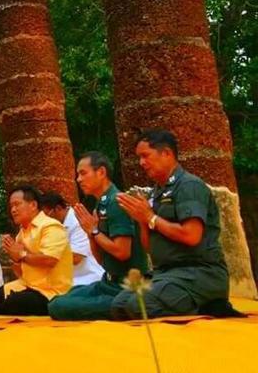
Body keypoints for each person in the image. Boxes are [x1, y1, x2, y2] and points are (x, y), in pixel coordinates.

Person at [111, 130, 231, 319]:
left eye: (145, 156)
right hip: (166, 274)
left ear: (166, 153)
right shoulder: (156, 193)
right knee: (119, 306)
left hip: (198, 272)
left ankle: (208, 304)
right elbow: (149, 247)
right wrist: (142, 220)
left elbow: (191, 236)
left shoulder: (188, 186)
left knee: (137, 306)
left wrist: (151, 217)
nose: (141, 163)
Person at [49, 151, 148, 320]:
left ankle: (127, 308)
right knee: (62, 297)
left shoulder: (117, 202)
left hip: (125, 287)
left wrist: (94, 231)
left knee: (58, 307)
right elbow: (101, 260)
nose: (78, 180)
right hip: (108, 282)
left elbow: (122, 252)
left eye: (83, 173)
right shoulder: (102, 204)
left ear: (101, 172)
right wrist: (90, 234)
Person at [0, 187, 72, 315]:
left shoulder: (51, 227)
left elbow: (50, 260)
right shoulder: (21, 233)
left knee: (16, 301)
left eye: (17, 204)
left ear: (33, 205)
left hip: (50, 294)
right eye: (11, 206)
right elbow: (21, 271)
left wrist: (21, 255)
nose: (13, 210)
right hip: (25, 286)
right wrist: (16, 260)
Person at [41, 191, 104, 286]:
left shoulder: (77, 221)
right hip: (66, 279)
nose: (44, 221)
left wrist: (46, 256)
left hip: (88, 278)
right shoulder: (52, 225)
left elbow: (76, 257)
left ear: (58, 209)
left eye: (46, 216)